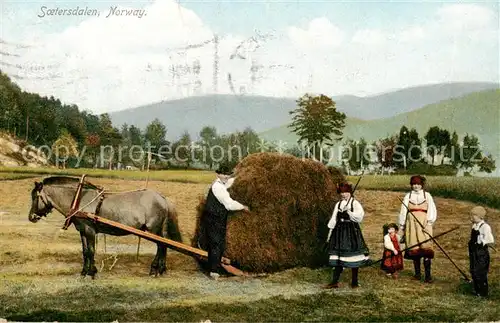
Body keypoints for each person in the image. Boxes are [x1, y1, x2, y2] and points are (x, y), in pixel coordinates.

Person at [201, 164, 249, 280]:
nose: (226, 177)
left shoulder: (223, 183)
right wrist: (243, 206)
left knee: (219, 243)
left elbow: (230, 182)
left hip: (218, 218)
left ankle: (216, 267)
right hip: (213, 219)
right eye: (224, 174)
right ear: (218, 174)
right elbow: (229, 204)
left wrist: (242, 176)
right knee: (216, 243)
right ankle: (214, 272)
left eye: (228, 175)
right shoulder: (218, 187)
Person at [324, 182, 370, 289]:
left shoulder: (355, 203)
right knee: (338, 258)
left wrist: (349, 211)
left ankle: (354, 282)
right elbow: (334, 218)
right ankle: (334, 282)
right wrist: (330, 232)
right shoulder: (338, 204)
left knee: (353, 257)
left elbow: (359, 217)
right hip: (339, 232)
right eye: (341, 193)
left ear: (350, 192)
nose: (344, 195)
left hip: (351, 232)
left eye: (346, 192)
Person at [398, 175, 437, 283]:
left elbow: (432, 209)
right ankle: (417, 274)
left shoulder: (427, 195)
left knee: (426, 248)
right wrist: (402, 225)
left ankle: (428, 276)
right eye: (414, 184)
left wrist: (429, 223)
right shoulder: (408, 196)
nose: (416, 186)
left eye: (418, 184)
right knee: (415, 248)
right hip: (411, 225)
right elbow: (403, 212)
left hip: (424, 224)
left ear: (422, 185)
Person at [468, 206, 495, 298]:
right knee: (473, 270)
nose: (472, 217)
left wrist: (481, 242)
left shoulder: (485, 227)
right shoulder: (474, 226)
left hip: (481, 253)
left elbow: (490, 239)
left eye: (474, 215)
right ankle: (477, 290)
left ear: (481, 216)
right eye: (471, 215)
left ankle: (483, 293)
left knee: (480, 272)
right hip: (473, 252)